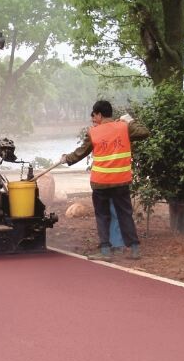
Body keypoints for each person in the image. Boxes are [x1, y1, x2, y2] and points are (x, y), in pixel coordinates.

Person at [60, 100, 150, 260]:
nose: (93, 119)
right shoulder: (124, 127)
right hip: (121, 180)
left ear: (99, 114)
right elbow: (144, 132)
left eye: (94, 115)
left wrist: (66, 159)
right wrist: (130, 120)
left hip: (100, 182)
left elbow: (80, 153)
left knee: (102, 215)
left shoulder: (93, 132)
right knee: (125, 214)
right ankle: (135, 249)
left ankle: (105, 251)